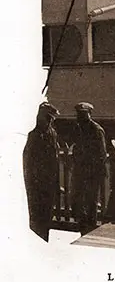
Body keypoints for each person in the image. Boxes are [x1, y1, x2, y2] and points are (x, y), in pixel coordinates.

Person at [23, 102, 60, 242]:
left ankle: (44, 240)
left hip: (48, 182)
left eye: (51, 119)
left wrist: (56, 183)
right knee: (35, 218)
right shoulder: (32, 134)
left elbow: (54, 158)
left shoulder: (52, 133)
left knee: (46, 217)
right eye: (47, 118)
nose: (49, 121)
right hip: (35, 183)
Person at [71, 102, 107, 235]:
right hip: (80, 170)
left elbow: (102, 153)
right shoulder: (79, 128)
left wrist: (98, 171)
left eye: (83, 114)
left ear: (89, 114)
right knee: (79, 199)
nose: (79, 117)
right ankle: (83, 226)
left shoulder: (96, 129)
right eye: (79, 114)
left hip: (92, 171)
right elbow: (76, 147)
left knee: (91, 200)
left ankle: (90, 228)